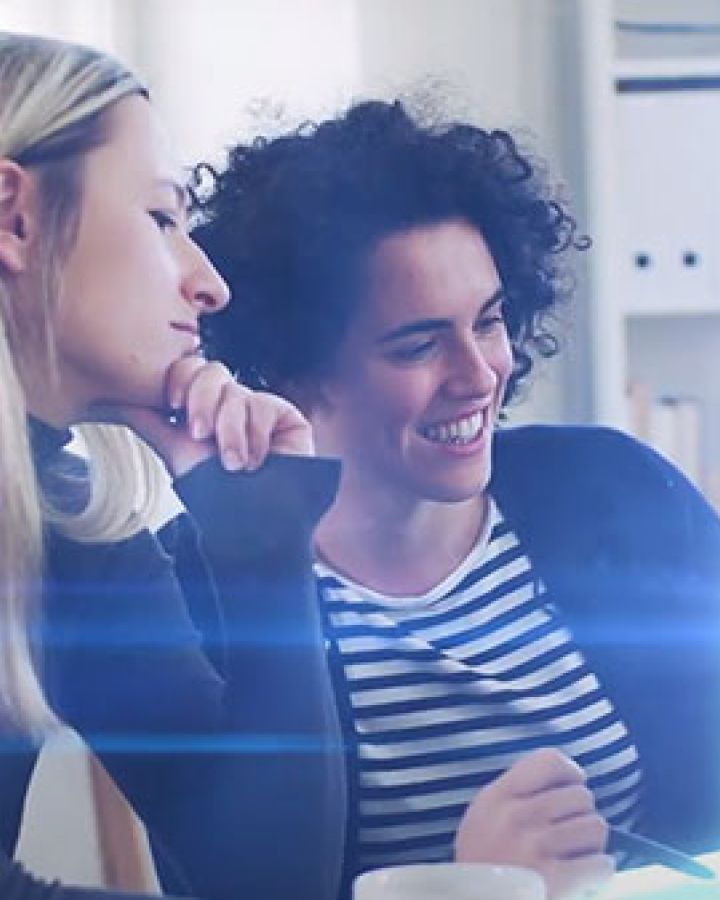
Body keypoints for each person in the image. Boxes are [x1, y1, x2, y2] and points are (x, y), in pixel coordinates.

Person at [193, 98, 720, 900]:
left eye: (490, 320)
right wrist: (472, 886)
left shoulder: (619, 494)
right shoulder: (216, 598)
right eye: (418, 344)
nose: (479, 375)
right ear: (295, 367)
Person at [0, 31, 344, 900]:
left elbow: (266, 881)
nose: (208, 283)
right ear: (13, 219)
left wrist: (261, 540)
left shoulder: (62, 521)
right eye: (161, 218)